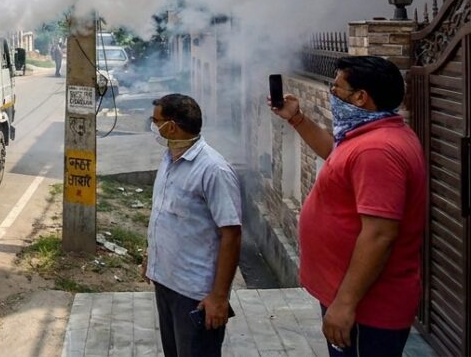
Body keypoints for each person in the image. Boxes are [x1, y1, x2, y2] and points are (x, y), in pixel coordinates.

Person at [270, 56, 426, 357]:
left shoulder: (378, 150)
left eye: (337, 87)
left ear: (360, 97)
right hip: (352, 298)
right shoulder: (371, 134)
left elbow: (380, 234)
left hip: (366, 308)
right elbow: (335, 153)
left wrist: (344, 305)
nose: (331, 92)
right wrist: (296, 118)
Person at [143, 93, 242, 357]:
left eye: (156, 121)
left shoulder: (213, 170)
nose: (153, 127)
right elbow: (164, 215)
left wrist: (219, 298)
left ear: (171, 126)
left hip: (195, 295)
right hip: (166, 283)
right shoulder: (169, 158)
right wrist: (151, 255)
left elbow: (231, 234)